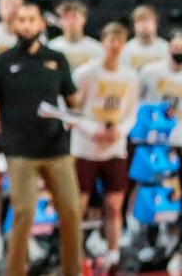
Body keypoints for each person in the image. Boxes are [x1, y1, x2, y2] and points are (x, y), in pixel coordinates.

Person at [0, 1, 84, 276]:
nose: (26, 25)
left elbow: (74, 105)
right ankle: (15, 272)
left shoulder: (56, 59)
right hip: (19, 152)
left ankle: (73, 271)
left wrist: (72, 118)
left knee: (72, 211)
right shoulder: (0, 64)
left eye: (31, 19)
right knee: (23, 213)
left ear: (40, 24)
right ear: (14, 25)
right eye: (21, 20)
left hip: (56, 149)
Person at [71, 22, 140, 274]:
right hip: (85, 148)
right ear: (103, 42)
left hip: (115, 149)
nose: (115, 46)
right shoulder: (85, 74)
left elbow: (132, 113)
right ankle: (75, 256)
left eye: (120, 40)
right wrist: (93, 130)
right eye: (111, 40)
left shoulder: (130, 76)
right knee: (78, 205)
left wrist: (119, 131)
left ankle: (113, 254)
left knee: (114, 204)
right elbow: (71, 112)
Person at [137, 32, 182, 179]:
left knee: (173, 191)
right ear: (168, 49)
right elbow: (135, 103)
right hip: (148, 141)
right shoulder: (149, 72)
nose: (179, 51)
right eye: (176, 47)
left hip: (176, 142)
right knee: (141, 185)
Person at [49, 0, 102, 73]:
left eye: (74, 16)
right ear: (60, 21)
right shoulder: (52, 48)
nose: (71, 21)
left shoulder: (97, 49)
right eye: (66, 17)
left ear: (83, 18)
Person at [122, 6, 170, 75]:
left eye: (147, 21)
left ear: (155, 23)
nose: (144, 25)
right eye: (140, 21)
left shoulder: (166, 48)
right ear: (134, 26)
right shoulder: (126, 49)